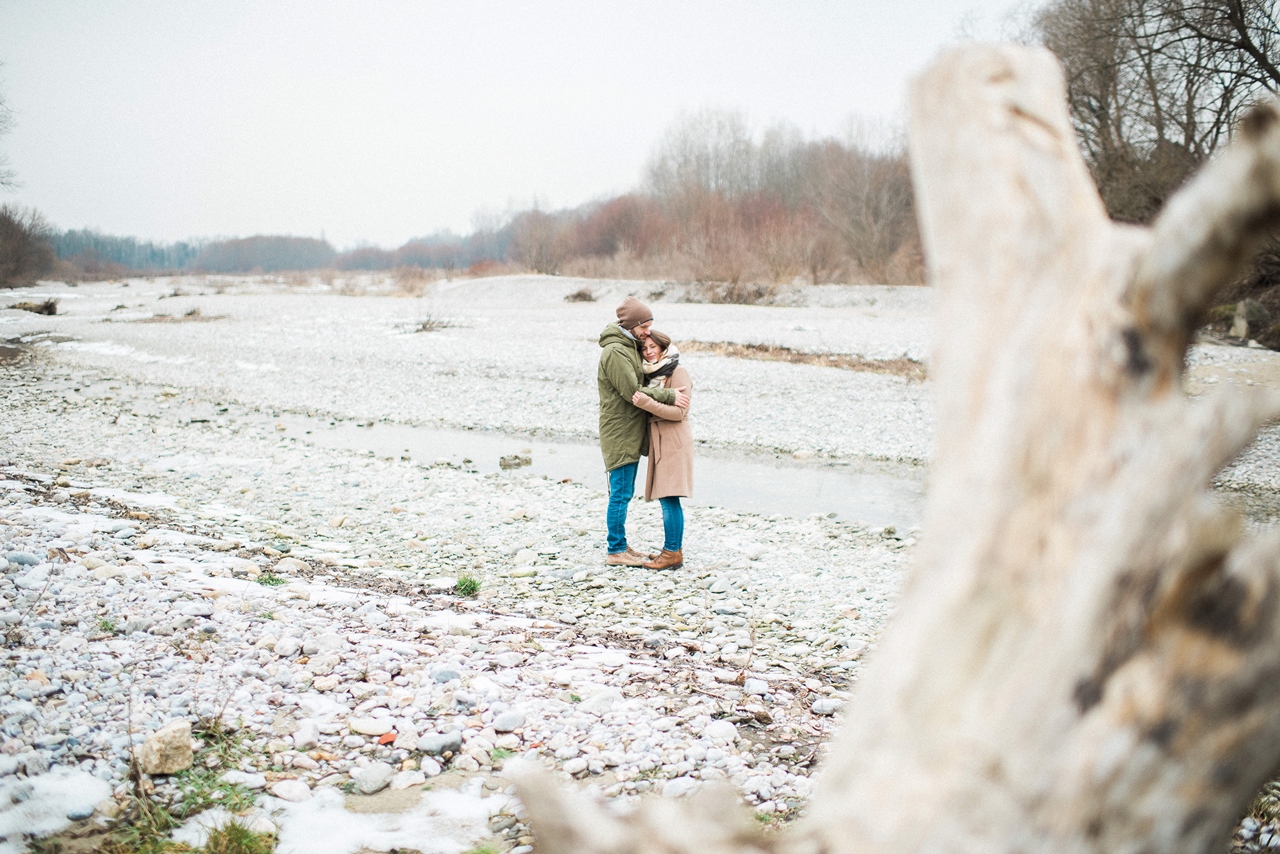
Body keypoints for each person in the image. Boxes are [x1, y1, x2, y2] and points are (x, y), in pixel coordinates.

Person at [597, 296, 690, 566]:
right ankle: (616, 550)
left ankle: (621, 545)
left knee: (623, 492)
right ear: (632, 324)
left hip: (630, 429)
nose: (647, 332)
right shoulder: (616, 352)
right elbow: (633, 392)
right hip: (620, 431)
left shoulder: (629, 346)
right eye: (644, 326)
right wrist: (669, 395)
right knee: (621, 493)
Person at [631, 330, 692, 570]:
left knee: (669, 497)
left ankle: (671, 553)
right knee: (667, 496)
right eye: (644, 348)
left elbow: (679, 413)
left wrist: (646, 402)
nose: (648, 352)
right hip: (661, 440)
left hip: (674, 440)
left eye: (653, 347)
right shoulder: (652, 375)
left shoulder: (678, 372)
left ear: (663, 348)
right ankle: (673, 550)